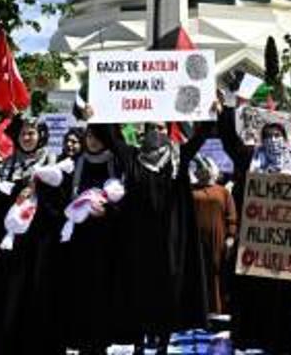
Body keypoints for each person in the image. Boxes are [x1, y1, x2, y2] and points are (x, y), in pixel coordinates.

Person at [219, 105, 291, 355]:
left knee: (286, 294)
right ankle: (254, 335)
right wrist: (224, 112)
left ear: (286, 138)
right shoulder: (250, 159)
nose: (273, 140)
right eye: (268, 136)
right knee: (255, 291)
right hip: (257, 241)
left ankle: (285, 337)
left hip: (288, 244)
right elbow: (229, 140)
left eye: (277, 135)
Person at [121, 120, 209, 350]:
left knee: (168, 287)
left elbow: (202, 135)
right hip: (140, 238)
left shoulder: (178, 156)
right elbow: (110, 137)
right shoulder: (133, 157)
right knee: (140, 287)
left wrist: (214, 112)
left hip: (171, 237)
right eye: (151, 128)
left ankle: (163, 340)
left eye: (161, 128)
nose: (156, 133)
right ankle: (139, 341)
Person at [0, 116, 59, 355]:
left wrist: (40, 189)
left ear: (41, 136)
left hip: (39, 244)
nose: (27, 138)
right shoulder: (7, 165)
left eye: (32, 133)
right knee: (7, 300)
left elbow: (58, 205)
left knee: (35, 298)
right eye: (24, 133)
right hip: (10, 243)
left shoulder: (53, 163)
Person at [61, 122, 132, 354]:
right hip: (78, 242)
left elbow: (127, 203)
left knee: (102, 295)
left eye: (98, 136)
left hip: (107, 244)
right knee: (79, 294)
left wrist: (108, 211)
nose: (92, 141)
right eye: (89, 135)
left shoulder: (117, 163)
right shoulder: (75, 163)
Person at [189, 156, 236, 317]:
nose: (204, 172)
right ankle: (198, 308)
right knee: (198, 272)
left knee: (217, 271)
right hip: (196, 240)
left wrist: (230, 238)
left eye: (207, 169)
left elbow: (231, 217)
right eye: (201, 169)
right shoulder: (190, 190)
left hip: (218, 239)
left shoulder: (223, 192)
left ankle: (217, 308)